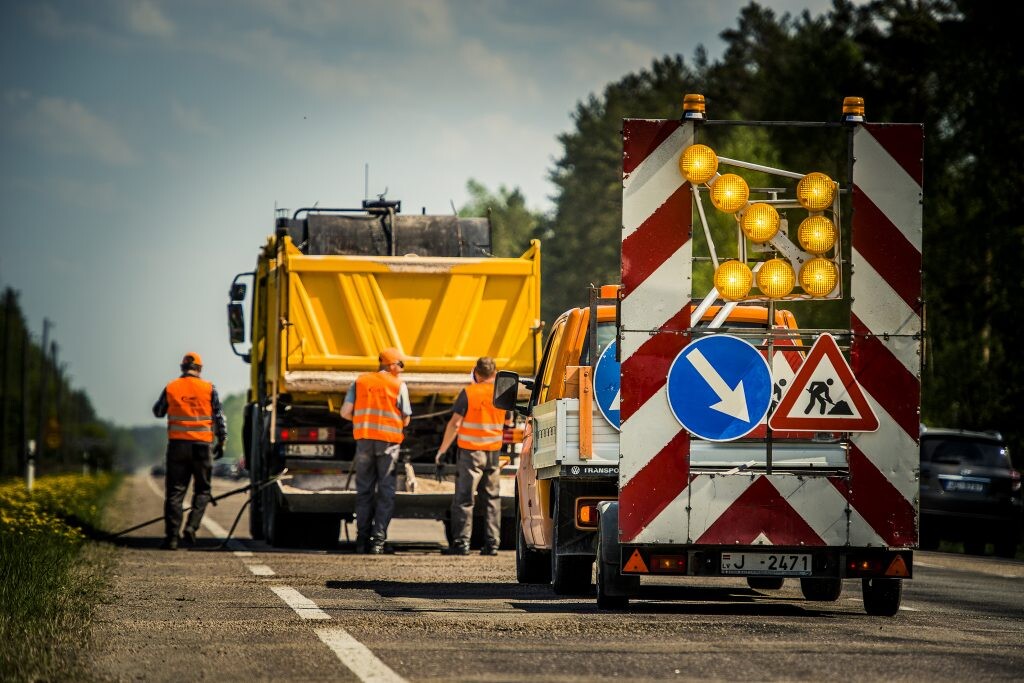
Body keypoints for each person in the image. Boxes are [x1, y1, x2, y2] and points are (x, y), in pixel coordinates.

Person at [340, 347, 412, 554]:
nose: (401, 370)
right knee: (386, 492)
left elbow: (345, 412)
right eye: (400, 365)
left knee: (364, 491)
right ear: (391, 365)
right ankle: (378, 541)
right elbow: (405, 418)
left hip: (364, 442)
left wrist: (364, 421)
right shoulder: (398, 385)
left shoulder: (360, 381)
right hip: (388, 444)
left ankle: (361, 540)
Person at [152, 352, 227, 550]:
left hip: (177, 447)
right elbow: (219, 417)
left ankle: (172, 538)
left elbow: (158, 411)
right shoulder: (209, 388)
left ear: (182, 368)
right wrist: (222, 441)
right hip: (202, 447)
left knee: (175, 493)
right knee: (202, 490)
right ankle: (191, 528)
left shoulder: (171, 387)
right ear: (199, 369)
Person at [435, 357, 506, 556]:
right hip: (493, 451)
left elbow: (455, 424)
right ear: (494, 373)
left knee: (465, 498)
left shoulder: (469, 392)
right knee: (492, 498)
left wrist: (441, 451)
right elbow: (508, 420)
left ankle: (461, 543)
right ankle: (492, 544)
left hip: (471, 453)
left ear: (476, 373)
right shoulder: (500, 393)